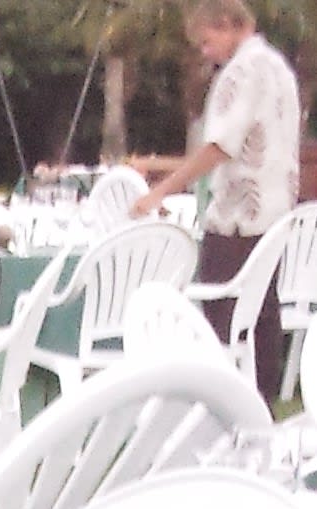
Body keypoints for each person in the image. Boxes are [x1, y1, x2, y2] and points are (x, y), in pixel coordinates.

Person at [132, 0, 302, 401]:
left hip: (238, 216)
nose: (205, 53)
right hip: (275, 215)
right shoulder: (278, 68)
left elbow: (218, 148)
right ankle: (259, 405)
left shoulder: (240, 72)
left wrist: (160, 190)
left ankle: (221, 408)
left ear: (228, 25)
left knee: (221, 321)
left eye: (207, 42)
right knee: (261, 318)